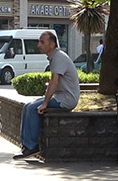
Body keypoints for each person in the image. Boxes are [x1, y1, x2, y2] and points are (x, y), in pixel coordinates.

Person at [13, 31, 80, 159]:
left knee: (33, 108)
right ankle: (26, 146)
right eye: (39, 41)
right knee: (27, 106)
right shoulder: (55, 56)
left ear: (52, 45)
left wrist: (45, 103)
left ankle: (32, 147)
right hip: (60, 96)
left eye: (42, 42)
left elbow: (54, 82)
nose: (38, 45)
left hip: (66, 99)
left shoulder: (58, 57)